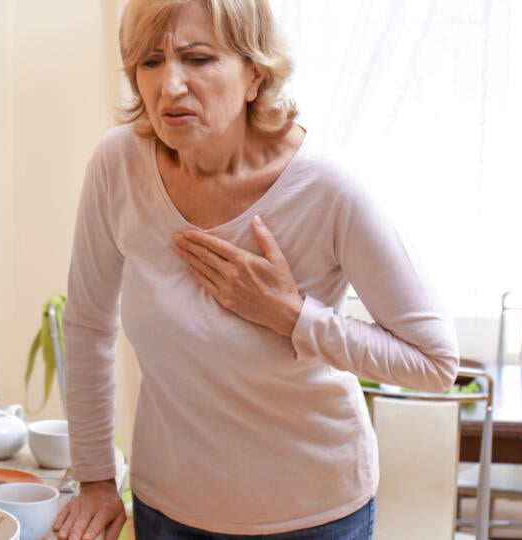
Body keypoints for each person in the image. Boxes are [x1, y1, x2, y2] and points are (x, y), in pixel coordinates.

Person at [53, 0, 459, 539]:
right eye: (150, 62)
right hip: (167, 509)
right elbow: (86, 326)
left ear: (255, 74)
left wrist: (292, 316)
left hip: (313, 514)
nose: (169, 86)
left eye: (198, 59)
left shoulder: (328, 187)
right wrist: (96, 477)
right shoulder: (117, 164)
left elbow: (434, 362)